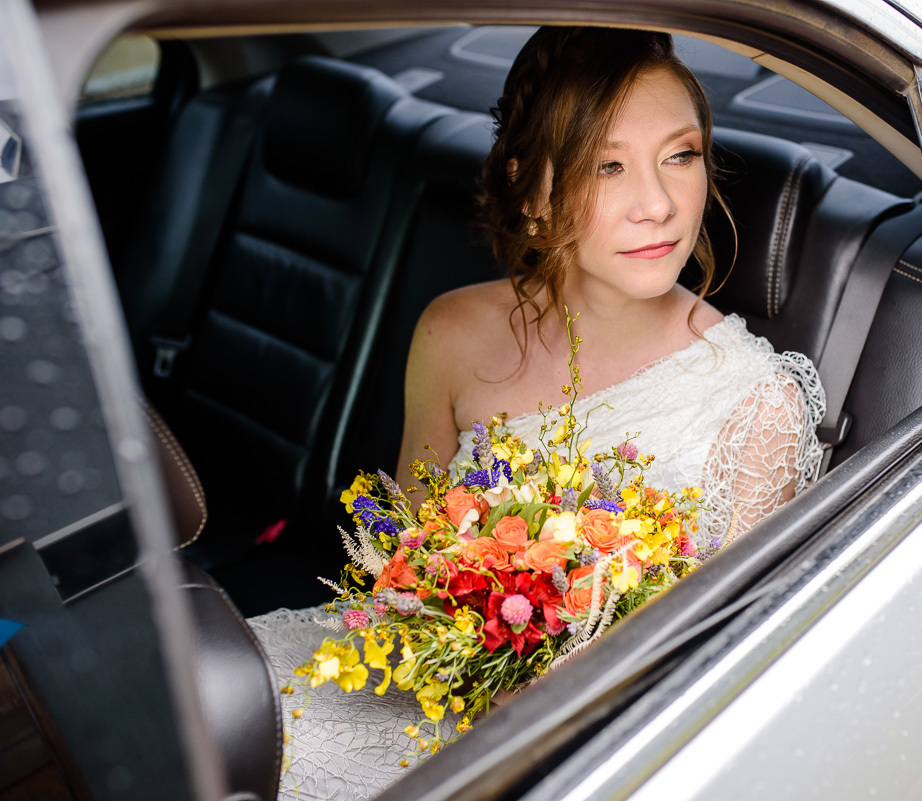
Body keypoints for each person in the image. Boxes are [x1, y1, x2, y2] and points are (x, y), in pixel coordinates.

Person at [248, 26, 825, 800]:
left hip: (582, 756)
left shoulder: (760, 405)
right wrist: (462, 618)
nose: (657, 204)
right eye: (606, 166)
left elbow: (711, 682)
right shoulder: (450, 331)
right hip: (407, 678)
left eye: (680, 156)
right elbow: (404, 559)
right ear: (534, 187)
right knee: (209, 711)